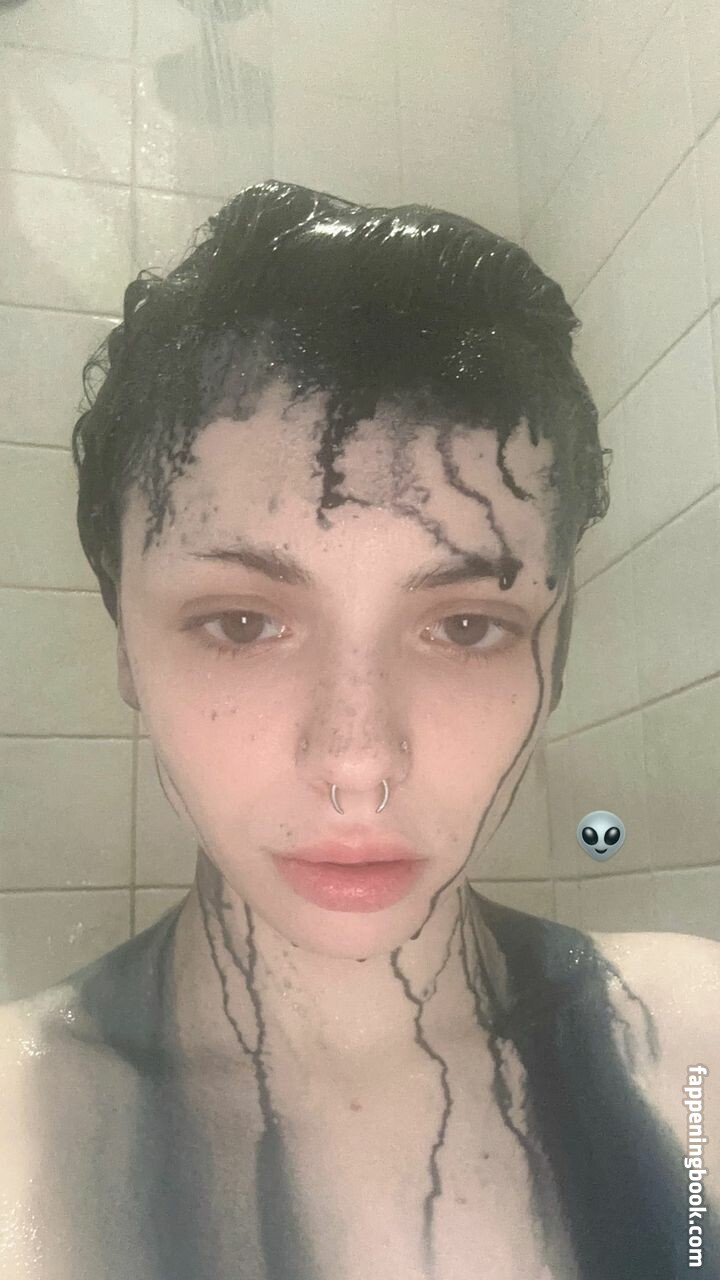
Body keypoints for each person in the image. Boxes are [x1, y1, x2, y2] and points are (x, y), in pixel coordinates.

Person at [0, 180, 718, 1280]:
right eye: (241, 622)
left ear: (558, 644)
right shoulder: (20, 1127)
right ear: (125, 642)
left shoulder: (692, 1044)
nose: (357, 764)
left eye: (467, 626)